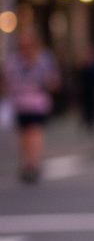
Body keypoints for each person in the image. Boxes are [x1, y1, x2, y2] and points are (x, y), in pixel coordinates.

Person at [2, 27, 60, 183]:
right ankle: (26, 162)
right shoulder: (14, 60)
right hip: (20, 102)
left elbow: (53, 79)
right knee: (23, 134)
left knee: (34, 132)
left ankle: (33, 164)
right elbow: (6, 80)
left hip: (36, 102)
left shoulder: (43, 59)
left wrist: (49, 84)